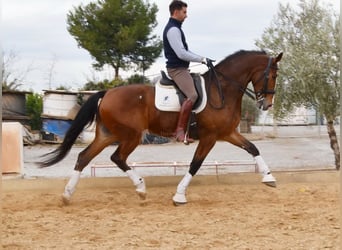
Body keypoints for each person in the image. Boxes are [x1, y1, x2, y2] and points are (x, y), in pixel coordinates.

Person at [163, 0, 213, 144]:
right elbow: (181, 53)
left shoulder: (176, 28)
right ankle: (179, 131)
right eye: (184, 12)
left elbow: (186, 51)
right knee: (192, 94)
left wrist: (202, 58)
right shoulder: (173, 29)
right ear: (176, 12)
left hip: (182, 68)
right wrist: (202, 59)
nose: (186, 16)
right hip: (177, 70)